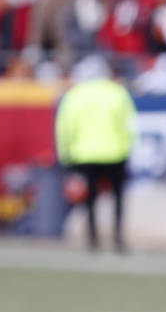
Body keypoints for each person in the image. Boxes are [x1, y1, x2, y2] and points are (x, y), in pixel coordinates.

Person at [55, 56, 137, 252]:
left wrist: (65, 155)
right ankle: (118, 237)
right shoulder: (117, 93)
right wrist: (129, 150)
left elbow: (65, 127)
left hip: (85, 154)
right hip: (116, 153)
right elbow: (129, 125)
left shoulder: (75, 94)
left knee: (89, 199)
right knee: (118, 198)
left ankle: (92, 239)